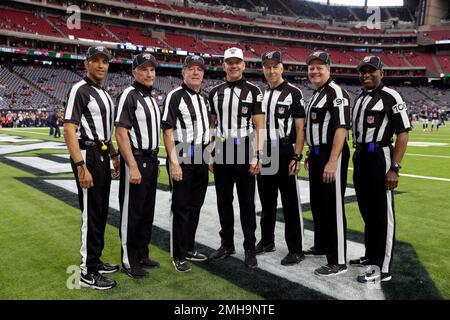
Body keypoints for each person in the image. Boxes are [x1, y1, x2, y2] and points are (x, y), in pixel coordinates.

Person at [63, 46, 120, 290]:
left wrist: (115, 155)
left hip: (103, 153)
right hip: (88, 155)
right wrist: (80, 165)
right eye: (95, 60)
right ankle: (87, 271)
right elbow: (69, 129)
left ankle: (95, 260)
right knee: (91, 213)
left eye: (104, 61)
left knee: (100, 212)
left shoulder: (104, 93)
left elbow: (105, 133)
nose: (100, 65)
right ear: (86, 64)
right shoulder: (80, 89)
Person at [351, 55, 410, 283]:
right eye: (363, 71)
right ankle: (370, 255)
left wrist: (394, 168)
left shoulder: (391, 96)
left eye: (371, 71)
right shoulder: (360, 98)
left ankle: (383, 268)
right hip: (361, 157)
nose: (366, 75)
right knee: (368, 212)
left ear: (381, 73)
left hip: (380, 156)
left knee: (383, 214)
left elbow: (403, 134)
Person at [208, 47, 265, 268]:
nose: (233, 66)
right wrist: (210, 153)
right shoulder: (214, 92)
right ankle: (227, 244)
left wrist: (257, 155)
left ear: (243, 65)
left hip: (244, 149)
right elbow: (213, 125)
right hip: (222, 149)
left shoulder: (254, 91)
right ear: (224, 65)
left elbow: (260, 126)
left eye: (237, 62)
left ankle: (249, 247)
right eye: (229, 62)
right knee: (224, 201)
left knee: (247, 202)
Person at [255, 50, 306, 266]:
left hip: (285, 150)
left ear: (282, 68)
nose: (271, 70)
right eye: (267, 67)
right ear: (263, 69)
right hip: (265, 150)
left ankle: (296, 249)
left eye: (275, 66)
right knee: (266, 201)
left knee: (290, 203)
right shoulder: (261, 94)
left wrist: (297, 155)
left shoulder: (294, 92)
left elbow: (300, 128)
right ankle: (267, 241)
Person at [303, 51, 351, 276]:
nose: (314, 71)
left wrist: (333, 161)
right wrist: (310, 153)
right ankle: (322, 245)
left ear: (329, 69)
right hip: (317, 154)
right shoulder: (316, 94)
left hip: (333, 154)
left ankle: (338, 260)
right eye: (311, 67)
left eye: (319, 67)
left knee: (332, 207)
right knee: (319, 204)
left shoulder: (336, 93)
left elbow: (341, 128)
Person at [162, 55, 210, 272]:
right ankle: (178, 254)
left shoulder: (204, 99)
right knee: (180, 207)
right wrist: (174, 163)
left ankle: (189, 248)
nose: (195, 72)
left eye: (199, 69)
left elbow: (206, 132)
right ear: (183, 72)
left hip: (200, 156)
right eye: (191, 68)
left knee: (195, 206)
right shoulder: (175, 96)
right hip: (182, 153)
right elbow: (167, 130)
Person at [115, 53, 161, 278]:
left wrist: (156, 159)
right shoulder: (129, 95)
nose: (149, 73)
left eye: (152, 69)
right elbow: (121, 133)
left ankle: (142, 253)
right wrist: (131, 165)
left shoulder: (151, 98)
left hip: (151, 159)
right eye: (144, 69)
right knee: (131, 212)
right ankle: (128, 260)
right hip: (136, 159)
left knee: (146, 211)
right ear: (134, 72)